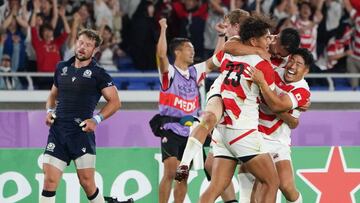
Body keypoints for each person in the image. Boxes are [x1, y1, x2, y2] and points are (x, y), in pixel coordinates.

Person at [199, 15, 280, 203]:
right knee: (271, 181)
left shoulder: (231, 53)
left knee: (215, 187)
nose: (269, 41)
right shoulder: (262, 65)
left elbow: (226, 48)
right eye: (265, 37)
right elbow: (273, 104)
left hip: (223, 132)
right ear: (253, 41)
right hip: (243, 131)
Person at [40, 29, 121, 203]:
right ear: (76, 43)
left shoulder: (99, 73)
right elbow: (52, 96)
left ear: (95, 51)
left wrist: (96, 119)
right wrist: (48, 112)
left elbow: (115, 102)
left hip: (81, 133)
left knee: (87, 183)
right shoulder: (61, 67)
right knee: (49, 181)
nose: (83, 47)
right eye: (81, 43)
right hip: (58, 131)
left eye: (89, 45)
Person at [155, 18, 216, 203]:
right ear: (177, 51)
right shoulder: (170, 73)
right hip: (171, 129)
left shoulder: (195, 72)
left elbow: (215, 60)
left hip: (190, 131)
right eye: (189, 48)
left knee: (183, 175)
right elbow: (160, 55)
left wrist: (222, 34)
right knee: (171, 172)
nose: (193, 51)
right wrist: (164, 29)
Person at [250, 48, 314, 203]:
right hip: (256, 136)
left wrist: (268, 97)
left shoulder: (302, 91)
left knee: (286, 187)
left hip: (278, 142)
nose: (292, 65)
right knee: (262, 182)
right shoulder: (275, 72)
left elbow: (293, 123)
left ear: (306, 70)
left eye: (298, 64)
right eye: (291, 60)